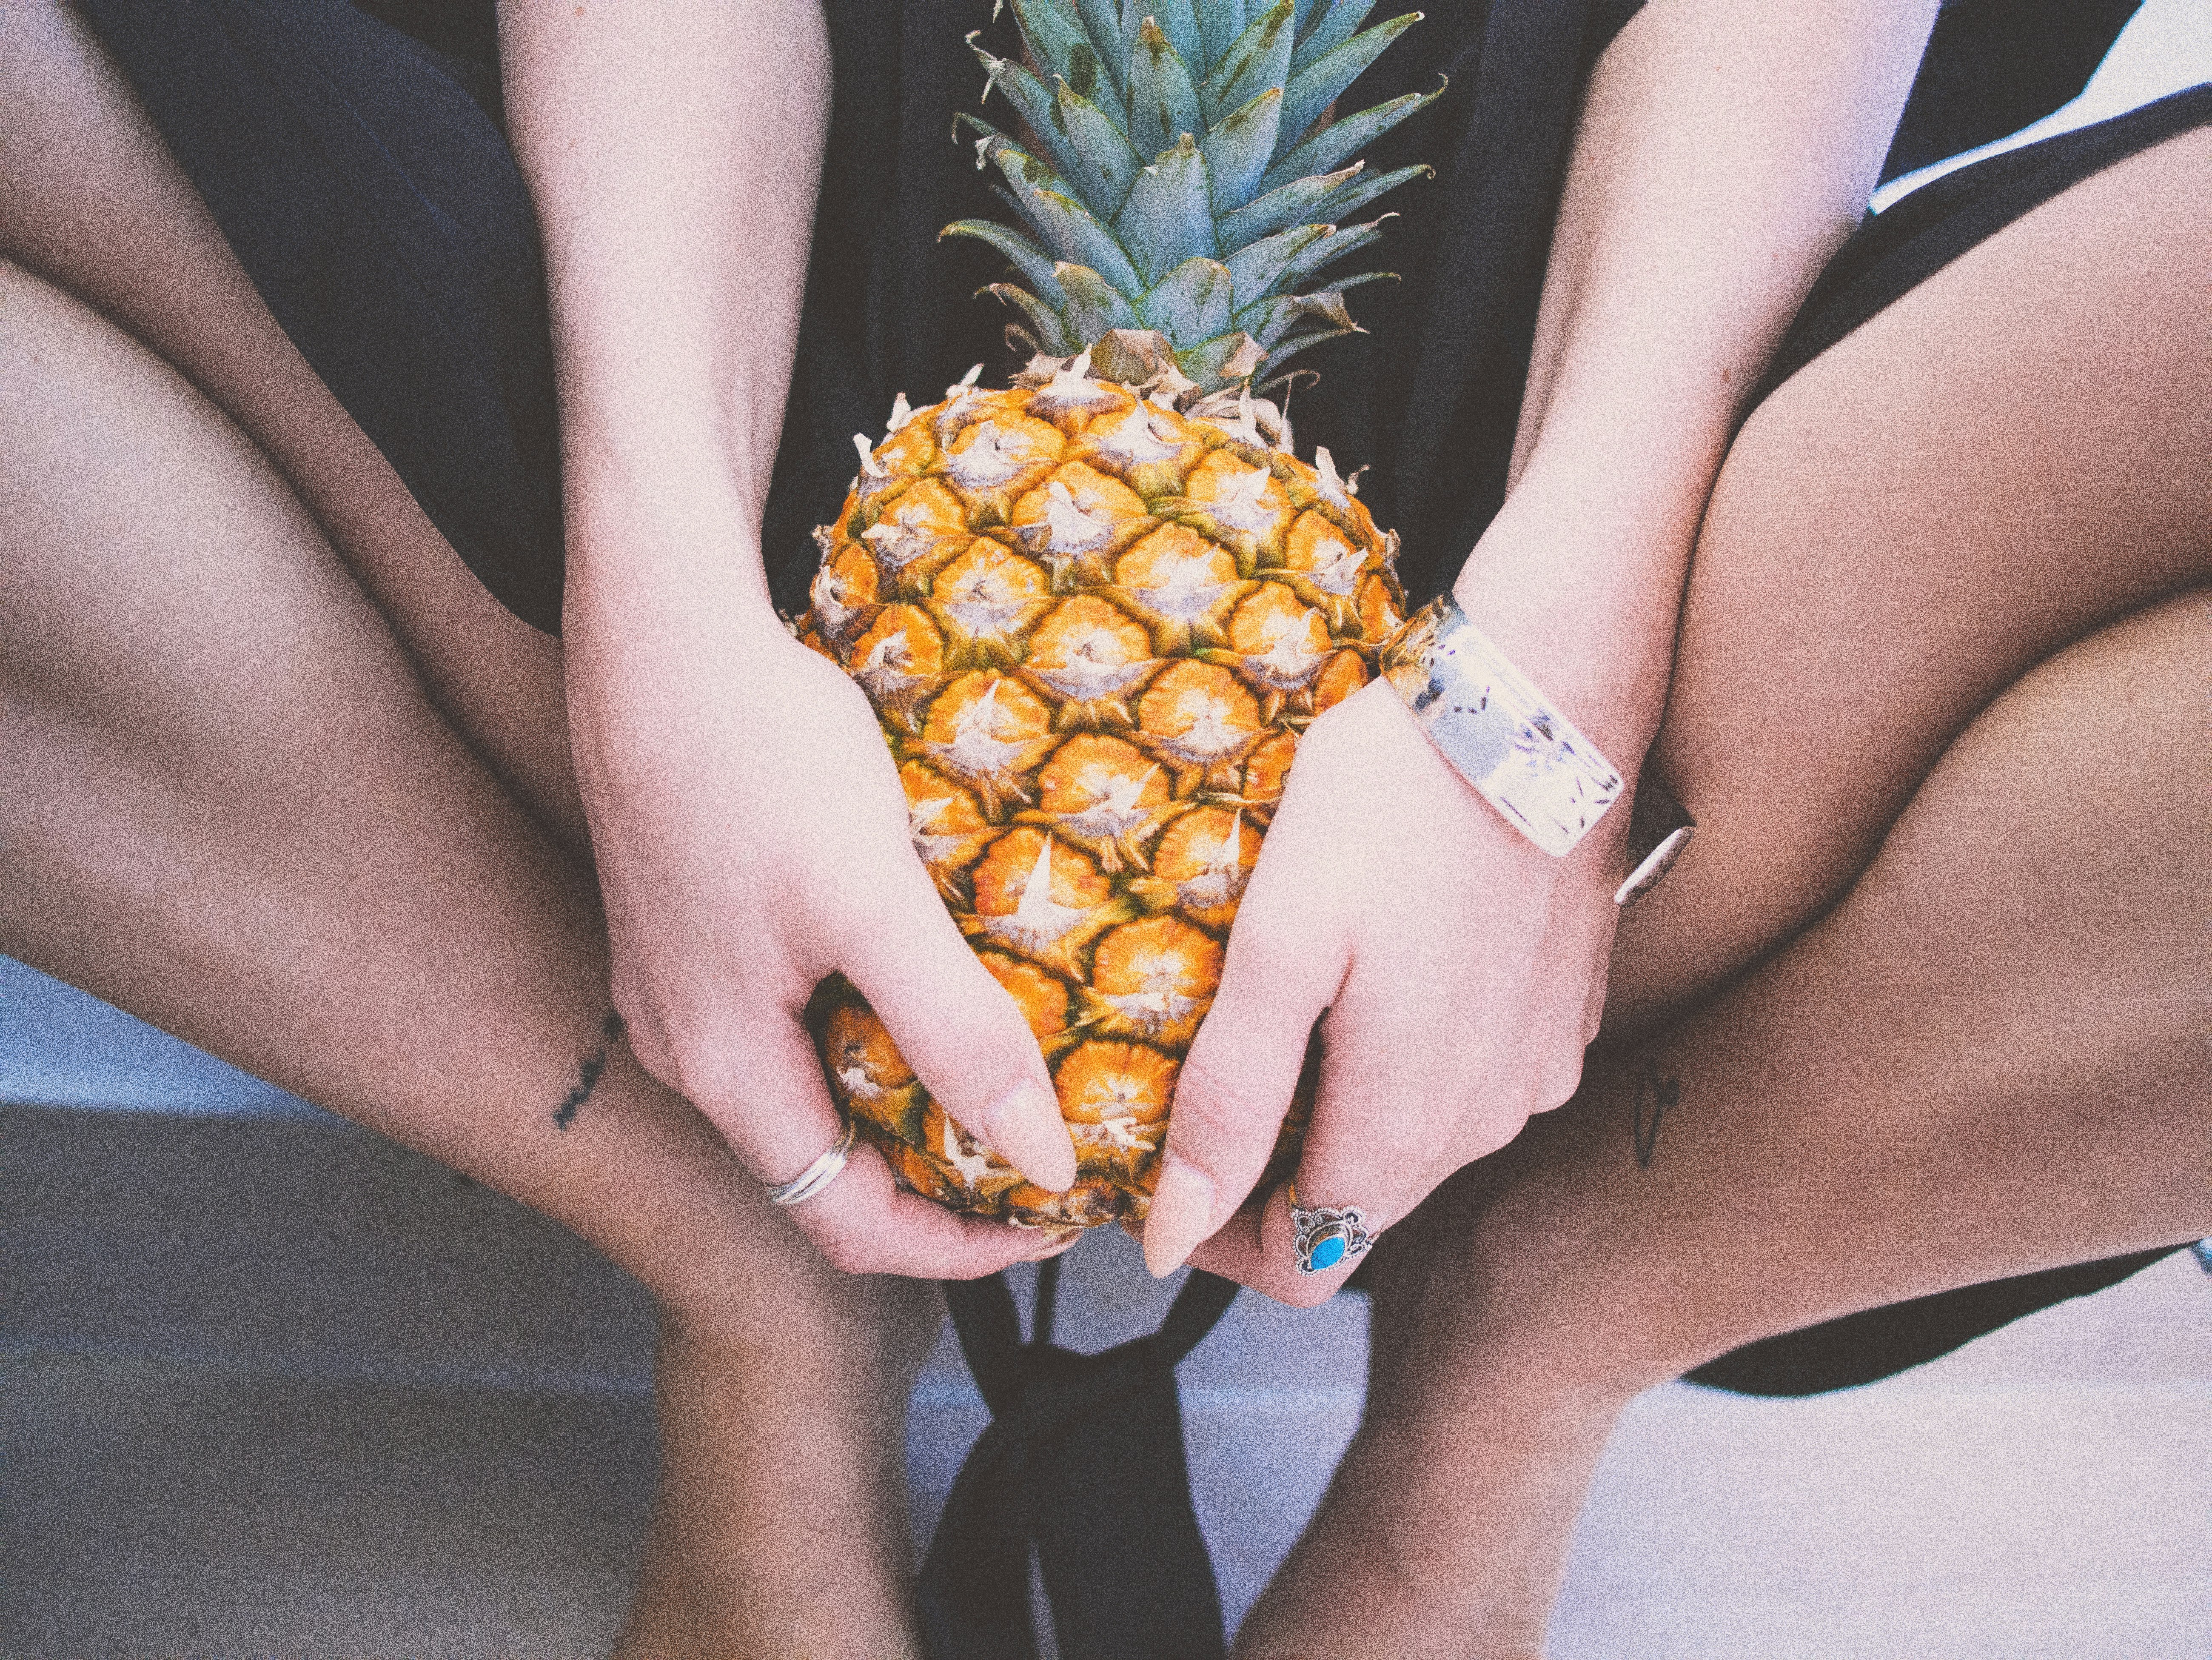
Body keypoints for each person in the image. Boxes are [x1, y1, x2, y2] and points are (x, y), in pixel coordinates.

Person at [0, 1, 2201, 1655]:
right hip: (751, 279)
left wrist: (1545, 691)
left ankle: (1529, 1336)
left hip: (1638, 372)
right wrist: (658, 581)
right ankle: (733, 1239)